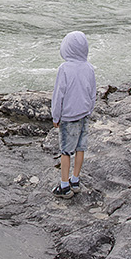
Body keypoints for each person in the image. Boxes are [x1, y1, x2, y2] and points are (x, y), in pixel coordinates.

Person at [50, 30, 96, 197]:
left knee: (65, 151)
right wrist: (89, 109)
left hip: (68, 117)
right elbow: (93, 93)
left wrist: (56, 116)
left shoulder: (64, 69)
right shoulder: (89, 68)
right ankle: (75, 180)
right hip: (84, 114)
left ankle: (64, 186)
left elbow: (58, 95)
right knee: (80, 148)